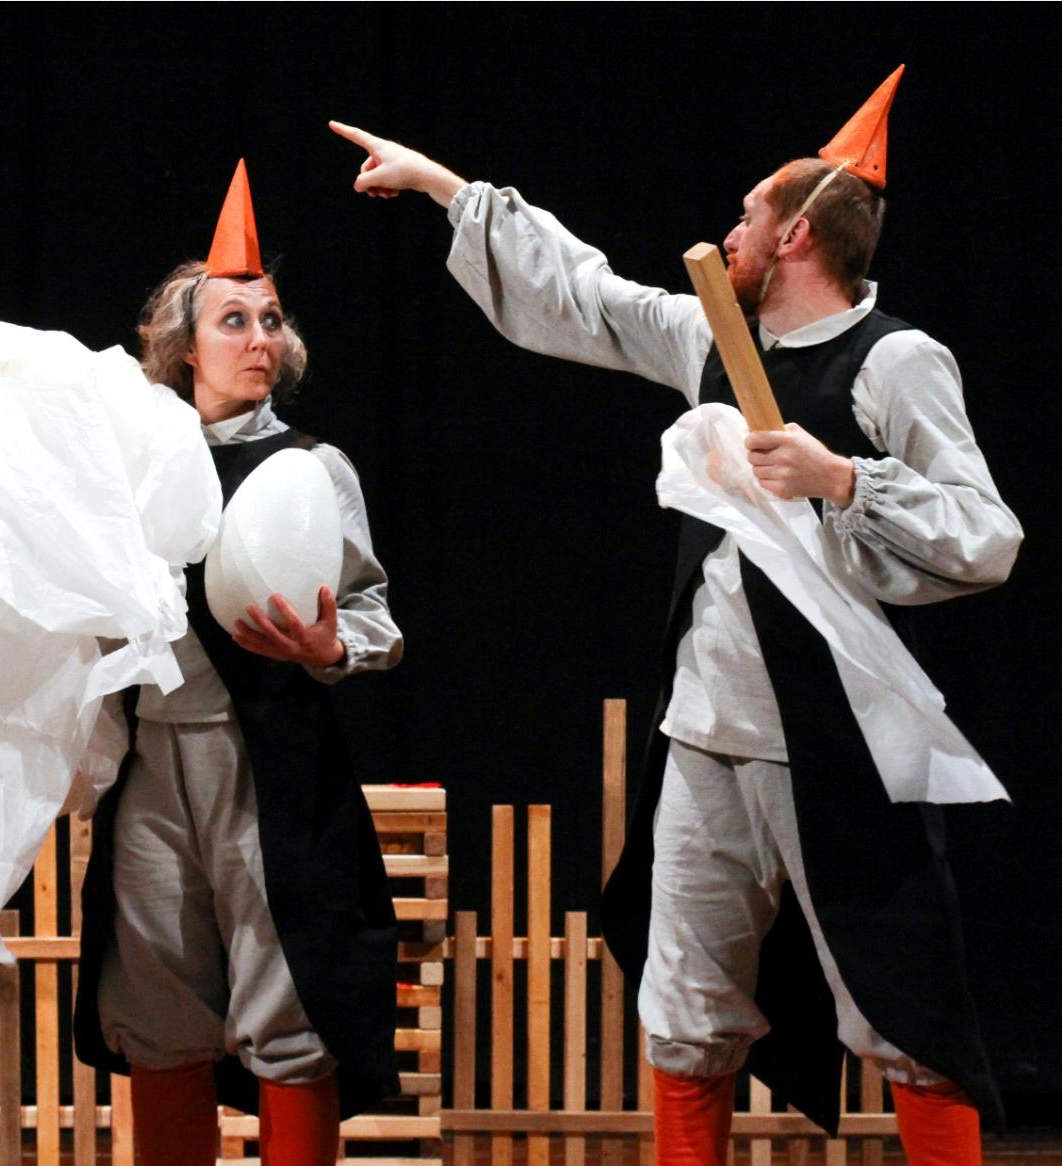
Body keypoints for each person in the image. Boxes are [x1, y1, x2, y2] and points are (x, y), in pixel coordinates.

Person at [331, 66, 1021, 1166]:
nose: (728, 234)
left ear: (796, 233)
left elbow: (986, 534)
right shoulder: (713, 338)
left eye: (746, 217)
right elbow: (588, 296)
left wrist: (843, 478)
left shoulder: (894, 360)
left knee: (902, 1003)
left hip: (835, 741)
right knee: (685, 1001)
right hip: (703, 732)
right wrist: (442, 187)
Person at [73, 162, 403, 1166]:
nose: (261, 339)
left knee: (287, 1001)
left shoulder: (310, 467)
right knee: (157, 1006)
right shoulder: (127, 465)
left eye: (271, 320)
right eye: (234, 321)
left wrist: (331, 646)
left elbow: (375, 616)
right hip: (151, 763)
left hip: (268, 764)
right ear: (184, 348)